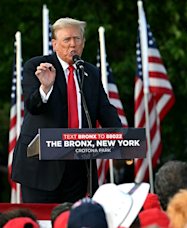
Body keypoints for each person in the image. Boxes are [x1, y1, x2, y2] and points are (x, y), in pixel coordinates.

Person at [11, 17, 122, 203]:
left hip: (78, 167)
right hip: (41, 167)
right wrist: (45, 88)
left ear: (84, 43)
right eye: (67, 40)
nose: (73, 44)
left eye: (77, 39)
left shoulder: (90, 72)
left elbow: (105, 110)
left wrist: (123, 137)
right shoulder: (37, 67)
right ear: (54, 44)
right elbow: (32, 106)